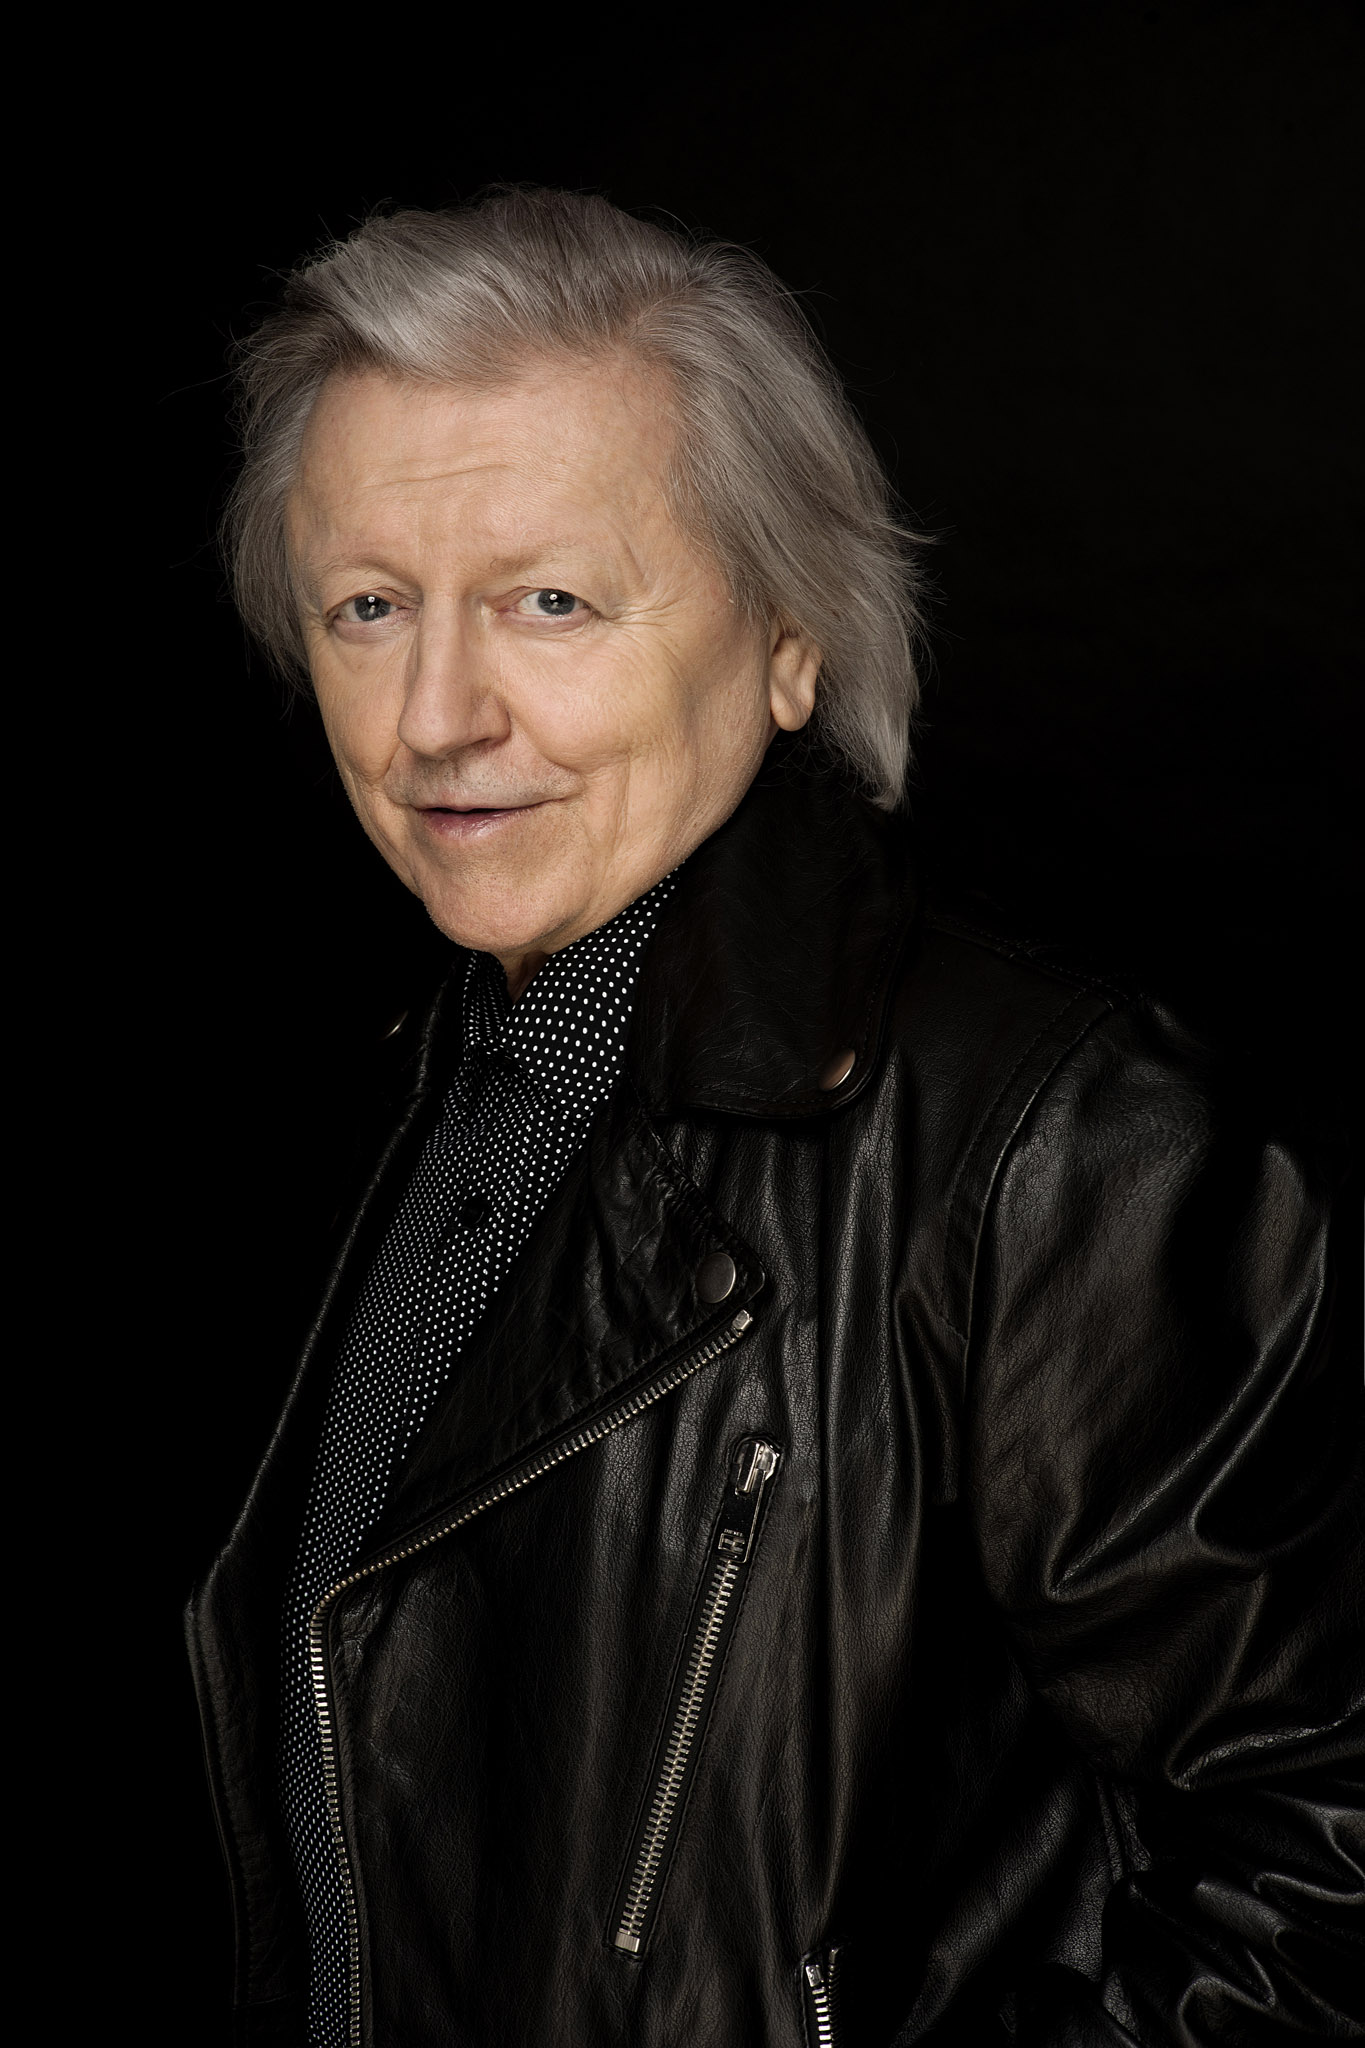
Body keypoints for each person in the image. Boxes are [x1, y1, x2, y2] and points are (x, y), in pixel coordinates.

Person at [186, 186, 1362, 2048]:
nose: (433, 718)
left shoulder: (1062, 1150)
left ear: (793, 635)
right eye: (369, 609)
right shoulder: (388, 1097)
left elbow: (1330, 1890)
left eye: (550, 602)